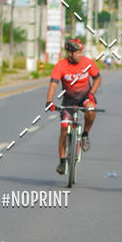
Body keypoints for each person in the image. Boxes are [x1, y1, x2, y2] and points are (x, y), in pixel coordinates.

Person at [45, 38, 101, 174]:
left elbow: (97, 78)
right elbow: (53, 83)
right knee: (64, 129)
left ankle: (85, 134)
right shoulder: (61, 66)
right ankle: (62, 162)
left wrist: (92, 93)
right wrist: (49, 101)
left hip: (85, 97)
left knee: (91, 109)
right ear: (69, 53)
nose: (80, 55)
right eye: (77, 53)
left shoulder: (87, 63)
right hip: (69, 100)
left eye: (81, 52)